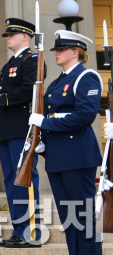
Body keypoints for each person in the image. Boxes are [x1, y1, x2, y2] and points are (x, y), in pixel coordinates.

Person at [29, 30, 103, 255]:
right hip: (57, 158)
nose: (57, 53)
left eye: (61, 49)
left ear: (75, 52)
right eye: (56, 49)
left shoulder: (86, 77)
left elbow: (84, 116)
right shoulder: (56, 82)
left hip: (77, 157)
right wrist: (41, 141)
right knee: (69, 218)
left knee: (84, 217)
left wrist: (47, 124)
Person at [0, 18, 43, 248]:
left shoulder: (33, 60)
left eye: (12, 34)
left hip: (21, 128)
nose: (7, 38)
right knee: (11, 181)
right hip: (7, 129)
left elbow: (30, 90)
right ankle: (19, 229)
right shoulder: (11, 62)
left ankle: (31, 231)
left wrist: (1, 99)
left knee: (24, 180)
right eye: (7, 35)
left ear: (25, 37)